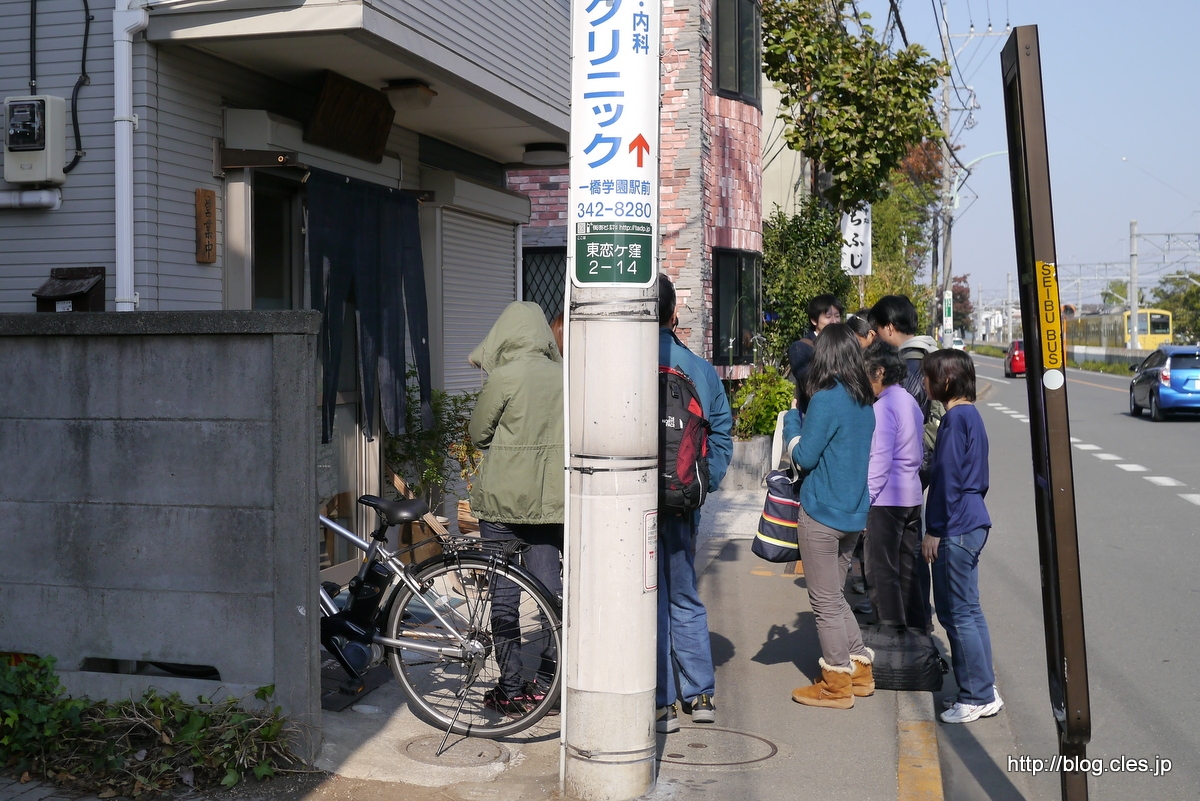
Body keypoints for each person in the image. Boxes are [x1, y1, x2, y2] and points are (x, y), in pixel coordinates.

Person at [467, 301, 564, 717]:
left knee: (504, 596)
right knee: (550, 596)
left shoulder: (504, 377)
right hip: (548, 505)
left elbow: (478, 434)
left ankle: (509, 688)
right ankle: (546, 685)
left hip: (502, 505)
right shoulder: (566, 376)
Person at [782, 323, 877, 709]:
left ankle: (836, 684)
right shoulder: (864, 401)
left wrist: (792, 421)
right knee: (835, 597)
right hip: (853, 515)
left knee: (823, 603)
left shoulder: (825, 399)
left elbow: (804, 457)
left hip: (821, 514)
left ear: (824, 355)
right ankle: (860, 671)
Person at [656, 274, 733, 733]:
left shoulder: (623, 361)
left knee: (648, 597)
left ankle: (660, 701)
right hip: (684, 500)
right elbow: (721, 434)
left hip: (633, 505)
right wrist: (704, 483)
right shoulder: (700, 370)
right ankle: (700, 692)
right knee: (683, 591)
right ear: (674, 314)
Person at [920, 349, 1003, 724]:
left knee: (956, 614)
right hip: (973, 518)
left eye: (929, 376)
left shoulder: (954, 419)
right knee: (969, 610)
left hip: (955, 524)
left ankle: (976, 695)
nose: (925, 382)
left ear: (947, 380)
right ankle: (983, 687)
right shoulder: (972, 416)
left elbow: (948, 478)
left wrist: (934, 529)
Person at [862, 341, 926, 631]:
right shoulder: (910, 402)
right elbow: (919, 452)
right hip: (911, 497)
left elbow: (880, 460)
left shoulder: (883, 407)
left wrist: (866, 500)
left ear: (879, 371)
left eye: (867, 374)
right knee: (908, 572)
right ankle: (918, 636)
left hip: (887, 501)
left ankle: (893, 640)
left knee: (883, 573)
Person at [787, 294, 845, 413]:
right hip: (816, 413)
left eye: (837, 316)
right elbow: (810, 383)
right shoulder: (800, 348)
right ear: (814, 320)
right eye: (828, 317)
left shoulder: (845, 344)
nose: (834, 321)